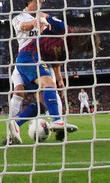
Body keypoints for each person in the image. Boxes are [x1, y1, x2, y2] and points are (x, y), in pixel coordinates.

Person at [8, 12, 101, 144]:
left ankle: (16, 124)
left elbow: (55, 62)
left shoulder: (67, 51)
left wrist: (60, 79)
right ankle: (57, 120)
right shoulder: (64, 29)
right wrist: (40, 21)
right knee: (48, 84)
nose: (82, 50)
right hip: (30, 55)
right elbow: (42, 14)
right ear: (82, 39)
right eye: (85, 46)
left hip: (34, 62)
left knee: (43, 104)